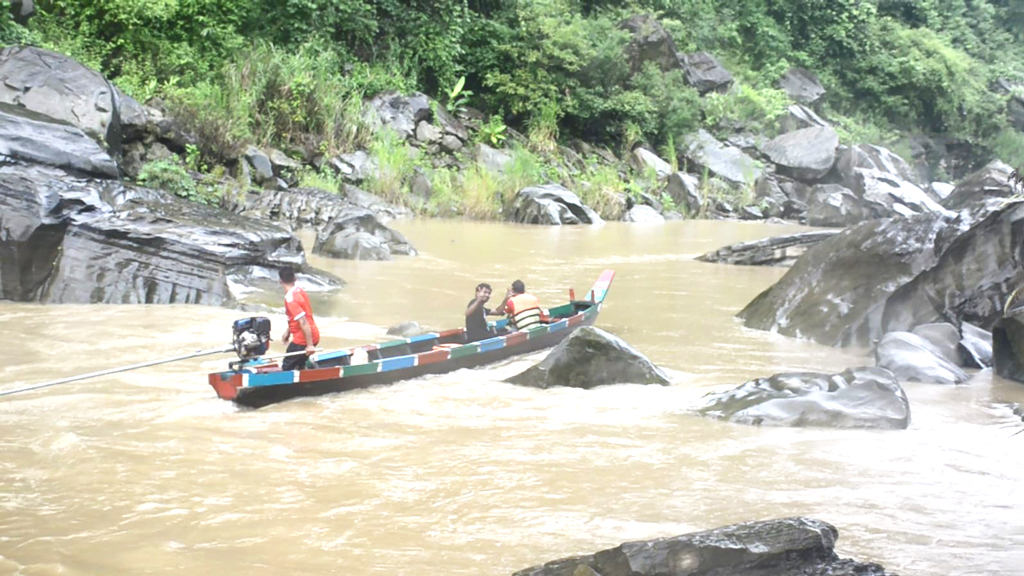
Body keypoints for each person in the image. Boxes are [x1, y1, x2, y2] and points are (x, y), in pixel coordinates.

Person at [279, 267, 320, 371]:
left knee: (287, 366)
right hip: (313, 335)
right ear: (295, 278)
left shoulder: (290, 299)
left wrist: (309, 345)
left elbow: (303, 321)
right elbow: (296, 317)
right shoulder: (299, 291)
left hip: (303, 340)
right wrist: (288, 332)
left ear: (280, 281)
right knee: (299, 365)